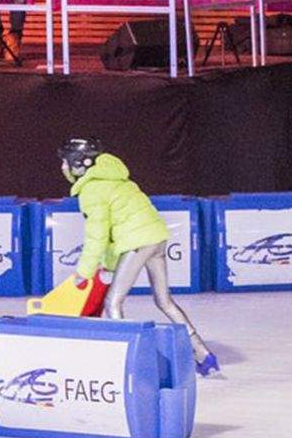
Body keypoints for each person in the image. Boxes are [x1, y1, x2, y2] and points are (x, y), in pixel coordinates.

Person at [58, 137, 220, 377]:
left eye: (65, 162)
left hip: (138, 243)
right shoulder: (117, 178)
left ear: (79, 164)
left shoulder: (92, 190)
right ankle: (204, 356)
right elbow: (118, 230)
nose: (62, 167)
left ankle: (128, 365)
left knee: (113, 303)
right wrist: (108, 265)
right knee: (164, 301)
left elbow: (97, 235)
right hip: (156, 238)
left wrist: (84, 272)